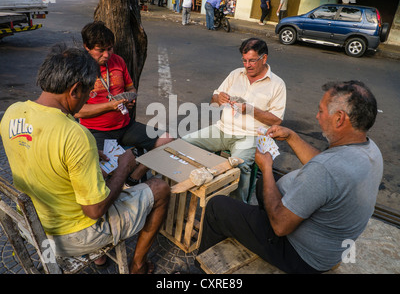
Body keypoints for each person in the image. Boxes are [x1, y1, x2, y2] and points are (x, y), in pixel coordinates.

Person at [0, 45, 171, 274]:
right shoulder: (74, 134)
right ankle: (138, 266)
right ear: (75, 89)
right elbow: (94, 210)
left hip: (32, 226)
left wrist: (87, 159)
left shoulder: (12, 113)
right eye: (89, 93)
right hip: (71, 235)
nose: (87, 100)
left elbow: (43, 159)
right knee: (160, 189)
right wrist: (124, 168)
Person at [197, 80, 383, 274]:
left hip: (300, 255)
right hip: (328, 246)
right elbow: (323, 162)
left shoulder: (325, 170)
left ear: (339, 118)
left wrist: (267, 169)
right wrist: (291, 137)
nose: (317, 117)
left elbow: (280, 226)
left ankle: (199, 272)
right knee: (263, 186)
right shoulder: (369, 150)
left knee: (217, 206)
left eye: (321, 111)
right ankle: (254, 226)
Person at [182, 38, 286, 202]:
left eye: (252, 60)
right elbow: (214, 101)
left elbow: (277, 120)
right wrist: (218, 98)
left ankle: (236, 207)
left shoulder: (277, 84)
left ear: (264, 58)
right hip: (221, 129)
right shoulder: (235, 74)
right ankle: (188, 188)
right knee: (183, 144)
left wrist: (249, 109)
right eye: (244, 60)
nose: (247, 65)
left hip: (249, 136)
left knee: (238, 167)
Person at [76, 21, 173, 185]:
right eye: (101, 50)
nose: (107, 55)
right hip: (96, 131)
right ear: (87, 46)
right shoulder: (79, 69)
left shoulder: (118, 61)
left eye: (110, 49)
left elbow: (130, 87)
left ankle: (135, 176)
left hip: (125, 126)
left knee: (167, 141)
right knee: (101, 173)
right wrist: (109, 106)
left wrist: (131, 98)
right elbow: (78, 111)